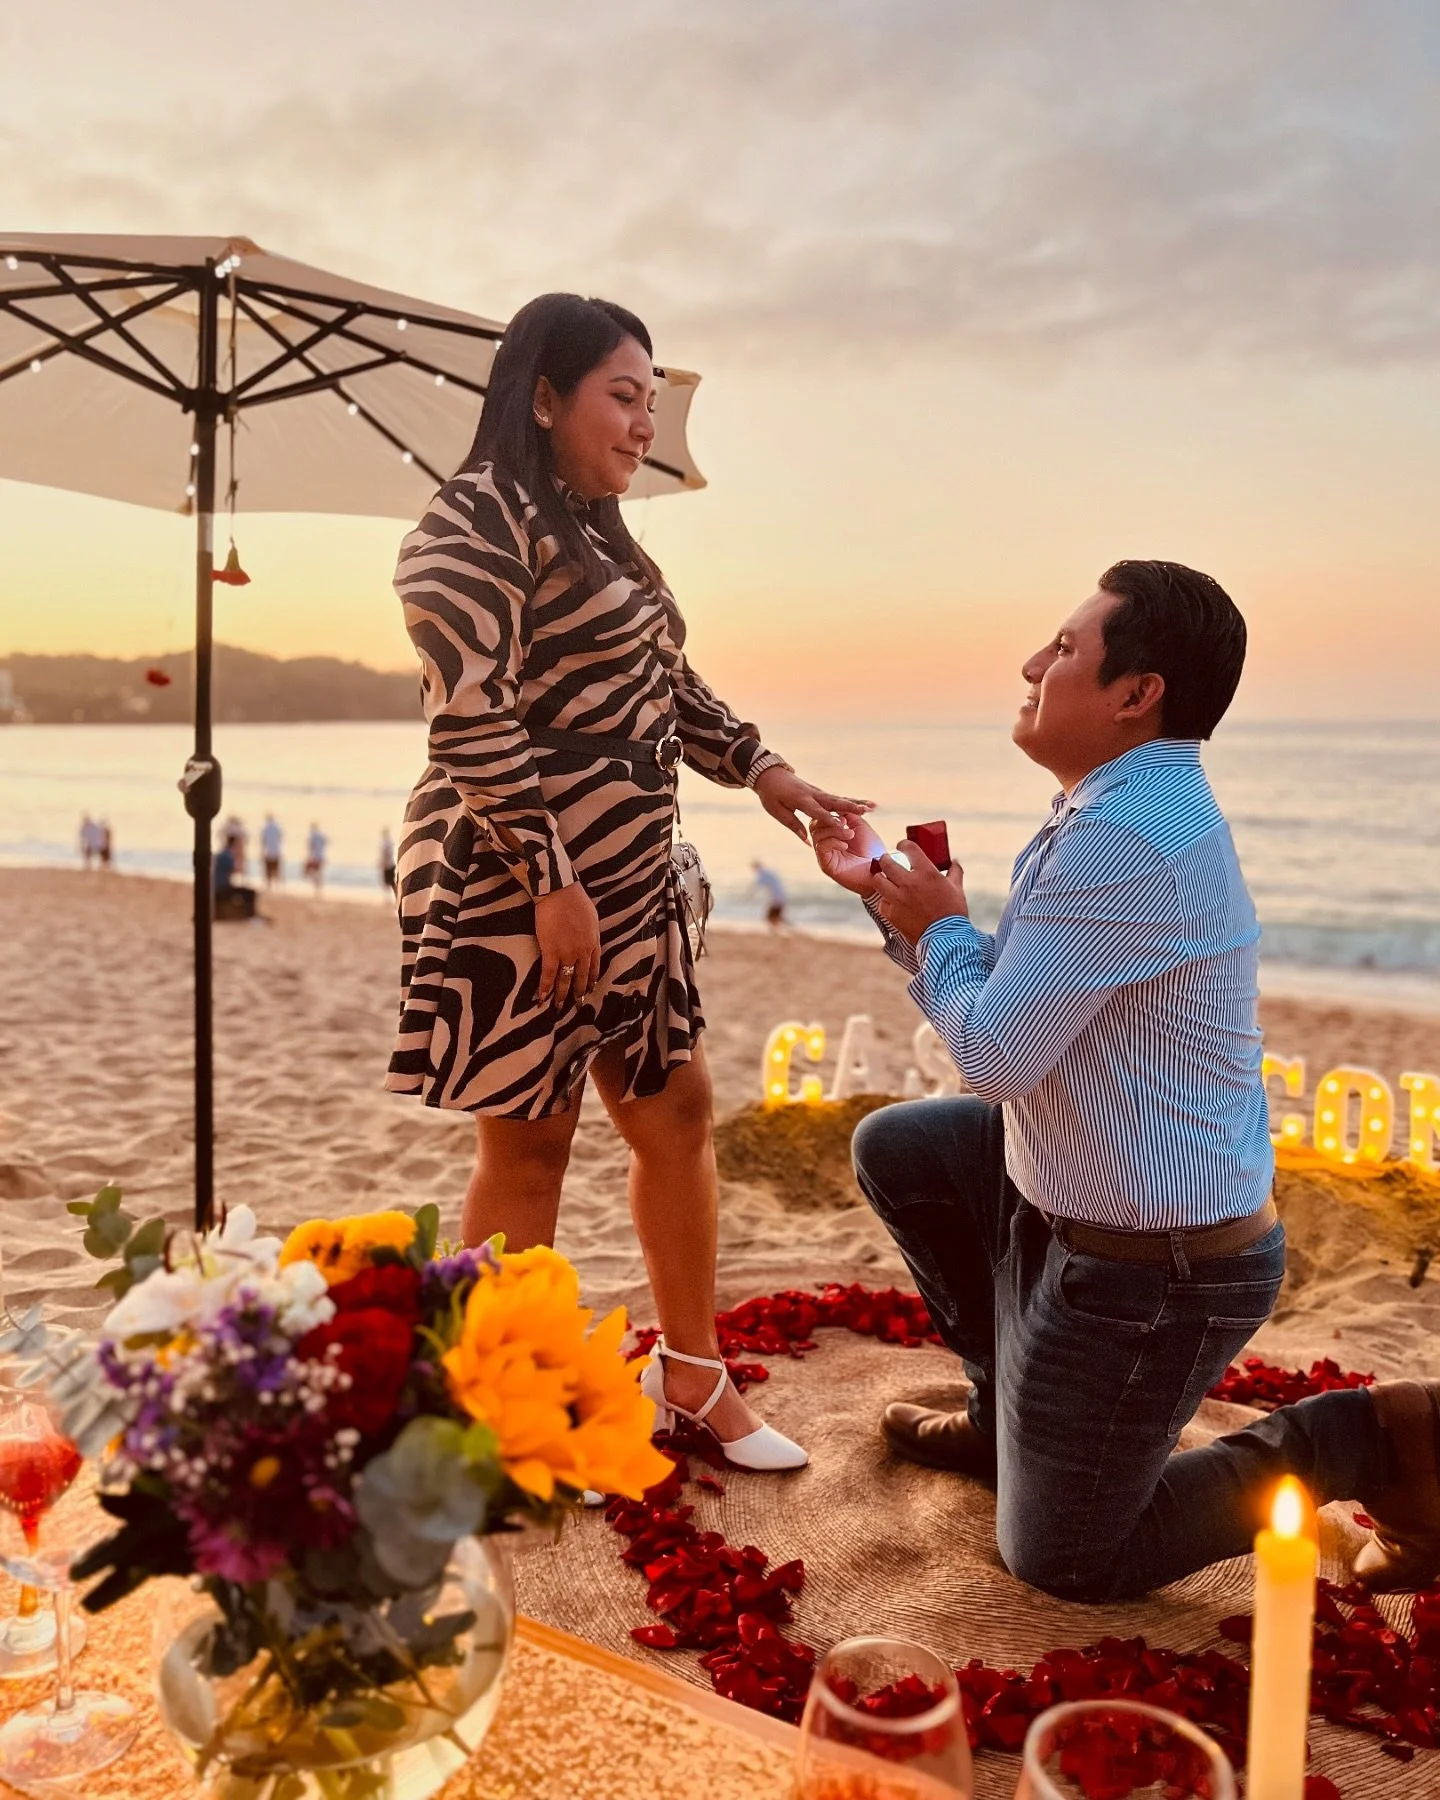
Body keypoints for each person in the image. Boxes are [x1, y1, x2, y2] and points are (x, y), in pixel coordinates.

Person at [810, 560, 1435, 1601]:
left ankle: (1363, 1438)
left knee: (1068, 1560)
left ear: (1137, 694)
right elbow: (1022, 1011)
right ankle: (1001, 1414)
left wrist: (940, 930)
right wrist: (915, 915)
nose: (1031, 664)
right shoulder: (1114, 805)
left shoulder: (1127, 836)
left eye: (1062, 649)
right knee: (905, 1147)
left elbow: (996, 1057)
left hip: (1161, 1270)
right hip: (1070, 1204)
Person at [388, 292, 870, 1472]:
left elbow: (668, 687)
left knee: (679, 1110)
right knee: (532, 1141)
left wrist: (768, 771)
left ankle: (691, 1377)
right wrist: (550, 876)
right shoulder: (475, 518)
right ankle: (496, 1412)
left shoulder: (606, 534)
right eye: (622, 394)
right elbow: (468, 713)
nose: (644, 421)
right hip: (517, 867)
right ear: (543, 397)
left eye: (653, 401)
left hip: (634, 872)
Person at [751, 859, 787, 928]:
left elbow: (758, 885)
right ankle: (785, 929)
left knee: (771, 918)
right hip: (780, 898)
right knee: (775, 918)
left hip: (777, 899)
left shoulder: (763, 874)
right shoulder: (768, 872)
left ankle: (787, 929)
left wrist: (750, 895)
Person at [260, 814, 284, 888]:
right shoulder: (278, 827)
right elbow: (280, 838)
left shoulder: (265, 827)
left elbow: (263, 840)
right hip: (276, 851)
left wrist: (262, 851)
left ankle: (269, 885)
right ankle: (277, 884)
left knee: (268, 869)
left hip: (268, 851)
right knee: (276, 868)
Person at [304, 823, 327, 895]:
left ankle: (317, 886)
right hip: (321, 856)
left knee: (310, 871)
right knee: (318, 872)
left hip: (314, 857)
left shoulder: (312, 836)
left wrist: (309, 856)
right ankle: (318, 887)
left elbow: (311, 846)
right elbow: (325, 843)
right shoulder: (321, 835)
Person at [378, 827, 396, 895]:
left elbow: (384, 853)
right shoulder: (389, 841)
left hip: (388, 864)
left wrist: (382, 862)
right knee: (391, 882)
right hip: (390, 863)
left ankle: (389, 896)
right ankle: (392, 895)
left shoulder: (385, 842)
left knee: (388, 882)